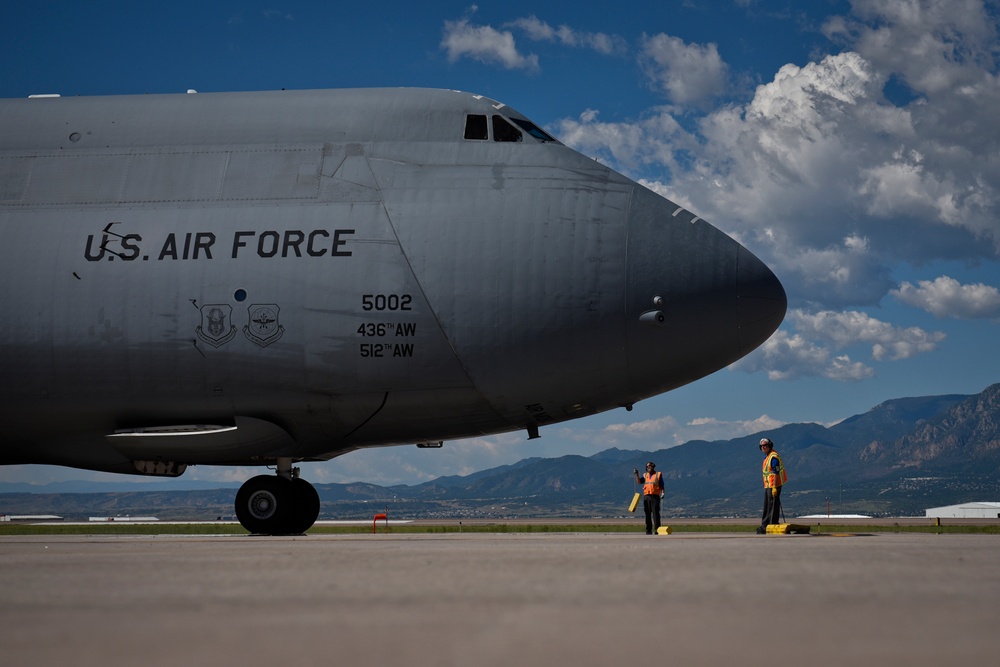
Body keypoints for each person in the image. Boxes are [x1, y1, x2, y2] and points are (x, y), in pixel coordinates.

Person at [757, 438, 787, 534]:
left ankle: (771, 524)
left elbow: (776, 472)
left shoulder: (773, 457)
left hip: (774, 485)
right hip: (768, 485)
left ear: (770, 445)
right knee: (767, 505)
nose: (763, 447)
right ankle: (765, 524)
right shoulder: (767, 457)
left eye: (765, 445)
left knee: (773, 505)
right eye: (762, 446)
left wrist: (774, 487)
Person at [633, 462, 664, 535]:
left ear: (653, 466)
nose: (648, 467)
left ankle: (657, 529)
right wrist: (637, 474)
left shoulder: (658, 475)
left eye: (649, 466)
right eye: (647, 466)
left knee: (656, 514)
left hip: (655, 497)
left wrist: (663, 493)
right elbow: (639, 482)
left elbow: (662, 485)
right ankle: (648, 529)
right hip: (647, 497)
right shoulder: (645, 475)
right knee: (647, 514)